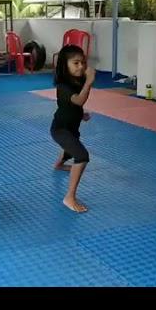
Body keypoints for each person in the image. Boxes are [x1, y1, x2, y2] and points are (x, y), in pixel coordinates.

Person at [50, 45, 95, 213]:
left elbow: (73, 106)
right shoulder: (63, 86)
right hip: (60, 129)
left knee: (70, 147)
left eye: (83, 62)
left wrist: (81, 115)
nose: (81, 66)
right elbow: (78, 101)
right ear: (64, 65)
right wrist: (89, 82)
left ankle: (59, 164)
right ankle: (69, 197)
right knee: (82, 156)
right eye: (76, 63)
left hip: (71, 126)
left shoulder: (78, 81)